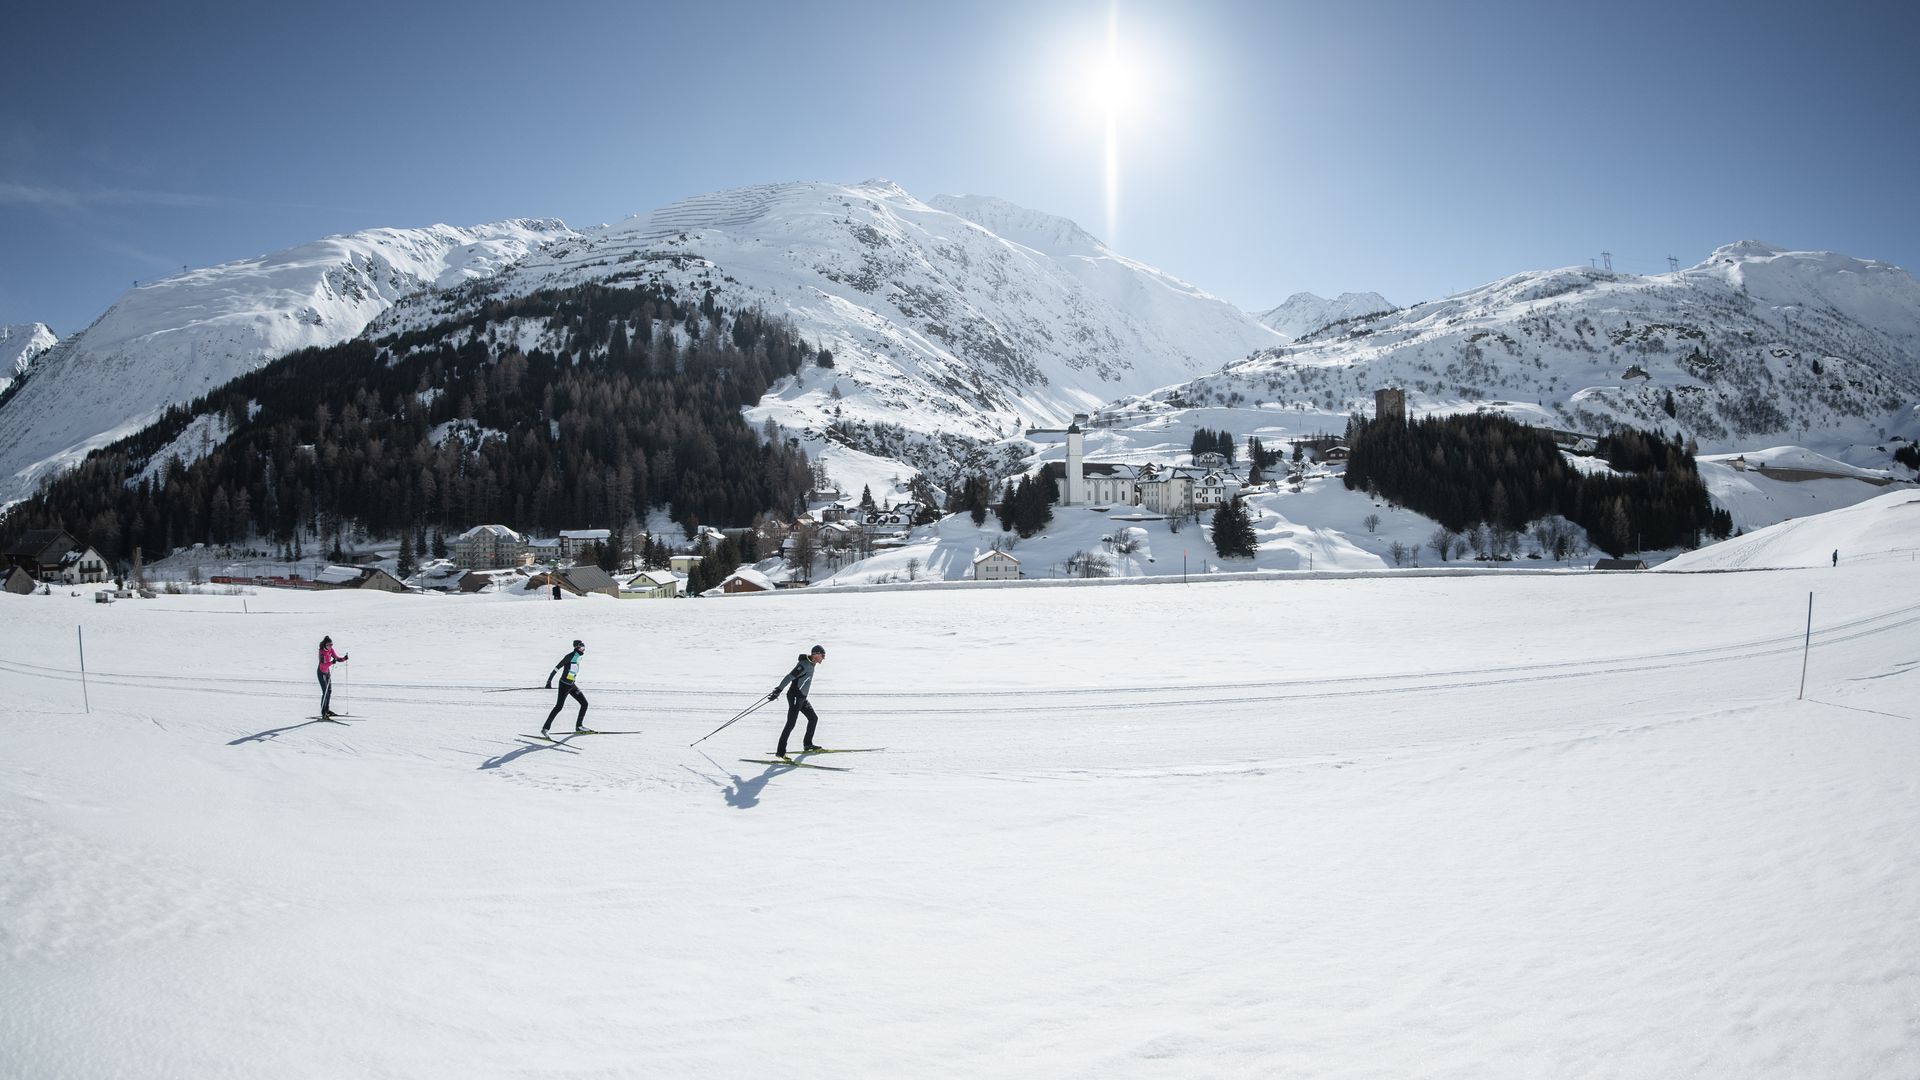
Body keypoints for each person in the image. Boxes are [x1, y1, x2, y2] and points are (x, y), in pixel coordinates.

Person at [768, 645, 827, 757]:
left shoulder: (812, 663)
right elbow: (789, 677)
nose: (823, 658)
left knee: (813, 718)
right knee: (791, 724)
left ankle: (808, 745)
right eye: (822, 655)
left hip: (801, 697)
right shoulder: (804, 665)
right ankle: (780, 752)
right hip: (795, 696)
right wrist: (778, 690)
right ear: (816, 654)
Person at [542, 639, 590, 735]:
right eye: (581, 648)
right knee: (558, 707)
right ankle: (545, 729)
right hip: (564, 685)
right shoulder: (569, 656)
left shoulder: (578, 657)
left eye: (584, 648)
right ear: (576, 648)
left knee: (584, 703)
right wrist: (549, 681)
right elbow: (557, 667)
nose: (583, 650)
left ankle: (579, 726)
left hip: (572, 685)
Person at [317, 636, 349, 717]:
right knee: (325, 692)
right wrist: (331, 663)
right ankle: (323, 712)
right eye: (329, 644)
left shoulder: (330, 650)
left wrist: (344, 659)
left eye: (331, 644)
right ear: (325, 644)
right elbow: (322, 665)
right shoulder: (322, 652)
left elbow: (336, 658)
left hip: (327, 672)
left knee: (329, 691)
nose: (330, 646)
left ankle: (327, 710)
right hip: (321, 672)